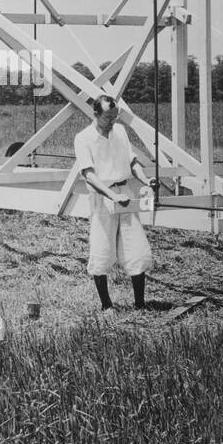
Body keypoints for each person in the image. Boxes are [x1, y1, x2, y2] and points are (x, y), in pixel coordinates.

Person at [72, 95, 154, 313]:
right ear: (95, 114)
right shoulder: (83, 138)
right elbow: (89, 175)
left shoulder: (120, 132)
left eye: (115, 117)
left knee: (136, 247)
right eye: (108, 117)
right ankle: (107, 305)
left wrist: (146, 180)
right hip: (102, 197)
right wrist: (112, 196)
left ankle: (140, 304)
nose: (112, 122)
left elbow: (132, 161)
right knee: (102, 249)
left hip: (125, 192)